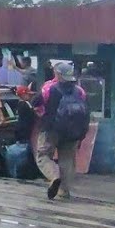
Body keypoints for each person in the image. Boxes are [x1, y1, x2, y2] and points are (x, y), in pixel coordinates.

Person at [36, 62, 86, 200]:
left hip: (51, 130)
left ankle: (54, 176)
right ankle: (63, 191)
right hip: (73, 133)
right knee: (67, 160)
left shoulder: (48, 88)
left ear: (57, 74)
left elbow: (35, 103)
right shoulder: (80, 91)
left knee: (43, 156)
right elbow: (85, 112)